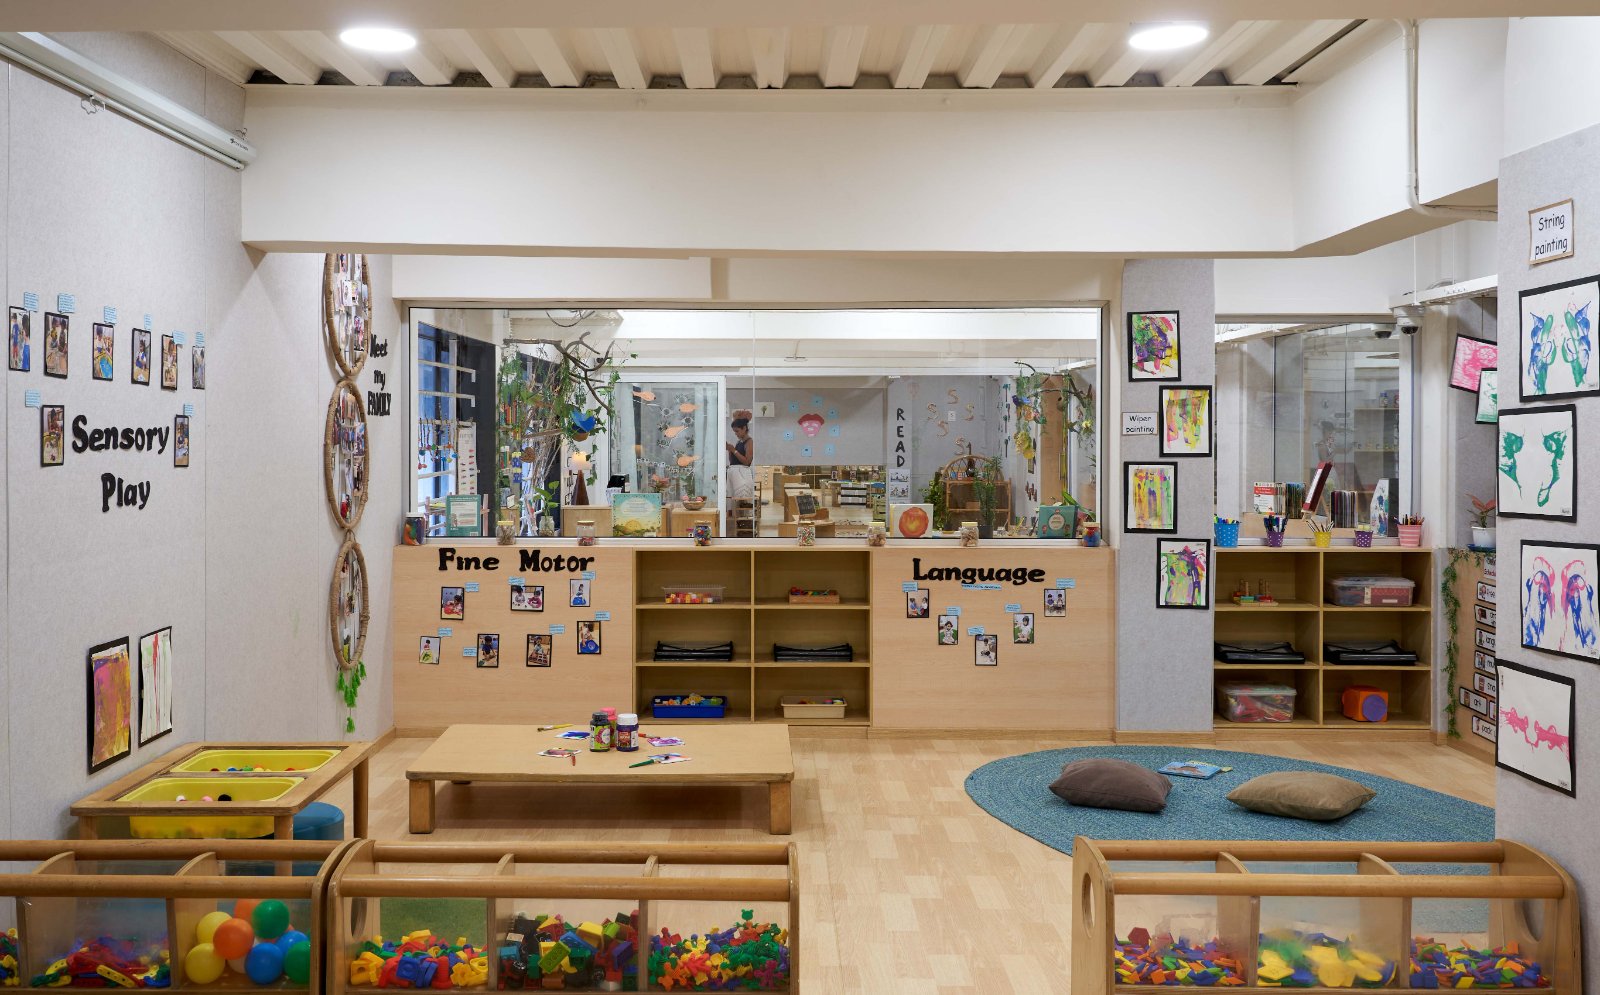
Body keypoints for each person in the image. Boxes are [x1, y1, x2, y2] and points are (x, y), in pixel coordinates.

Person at [725, 411, 755, 503]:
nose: (736, 434)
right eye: (734, 432)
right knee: (732, 502)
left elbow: (747, 462)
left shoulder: (749, 442)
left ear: (744, 428)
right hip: (734, 473)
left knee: (741, 502)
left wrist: (734, 450)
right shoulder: (739, 442)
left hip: (742, 475)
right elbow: (732, 461)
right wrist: (730, 450)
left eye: (737, 431)